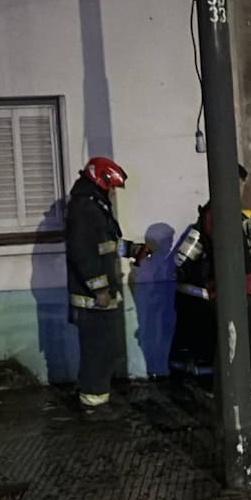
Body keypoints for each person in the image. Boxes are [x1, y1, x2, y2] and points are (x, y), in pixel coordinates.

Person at [65, 157, 149, 413]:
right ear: (101, 181)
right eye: (111, 186)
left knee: (105, 351)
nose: (113, 192)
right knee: (97, 353)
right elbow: (83, 254)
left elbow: (107, 246)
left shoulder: (95, 208)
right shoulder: (84, 209)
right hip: (92, 299)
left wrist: (133, 250)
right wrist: (99, 288)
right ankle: (93, 406)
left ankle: (96, 399)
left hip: (102, 297)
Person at [169, 164, 251, 376]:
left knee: (208, 342)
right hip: (216, 292)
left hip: (223, 289)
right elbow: (190, 256)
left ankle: (202, 382)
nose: (240, 190)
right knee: (212, 343)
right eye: (237, 184)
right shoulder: (218, 214)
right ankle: (210, 389)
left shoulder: (229, 214)